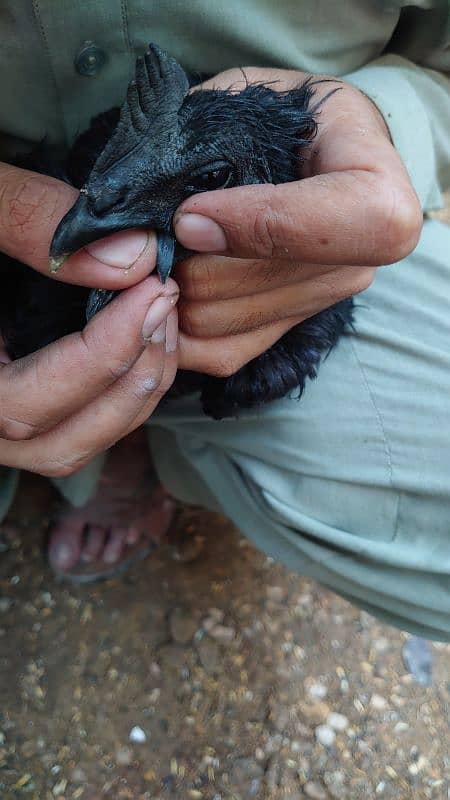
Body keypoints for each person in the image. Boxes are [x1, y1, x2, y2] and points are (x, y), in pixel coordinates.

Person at [0, 2, 449, 638]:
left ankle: (165, 455)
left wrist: (380, 125)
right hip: (24, 212)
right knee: (43, 326)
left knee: (254, 377)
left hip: (317, 259)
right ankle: (111, 451)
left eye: (209, 176)